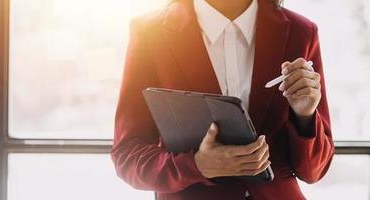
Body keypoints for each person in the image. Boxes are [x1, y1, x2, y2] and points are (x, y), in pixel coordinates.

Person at [111, 0, 333, 199]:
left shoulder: (301, 32)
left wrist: (305, 117)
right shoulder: (150, 33)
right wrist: (196, 165)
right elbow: (127, 155)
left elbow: (314, 171)